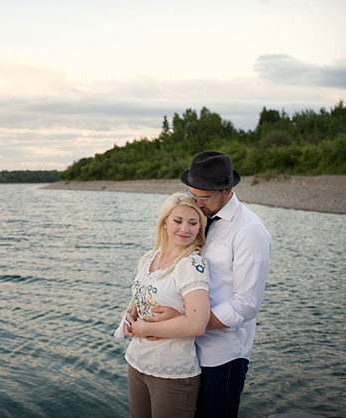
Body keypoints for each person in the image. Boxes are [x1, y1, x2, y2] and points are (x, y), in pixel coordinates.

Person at [174, 150, 272, 418]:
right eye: (192, 194)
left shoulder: (249, 231)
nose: (196, 202)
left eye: (203, 197)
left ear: (227, 190)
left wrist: (188, 323)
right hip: (187, 350)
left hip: (223, 357)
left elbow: (246, 304)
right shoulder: (198, 218)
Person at [115, 192, 211, 418]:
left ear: (200, 227)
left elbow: (198, 324)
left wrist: (146, 328)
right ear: (165, 222)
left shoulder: (192, 264)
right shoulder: (149, 258)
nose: (184, 229)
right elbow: (140, 298)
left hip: (172, 372)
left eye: (192, 223)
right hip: (137, 362)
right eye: (178, 221)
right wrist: (129, 314)